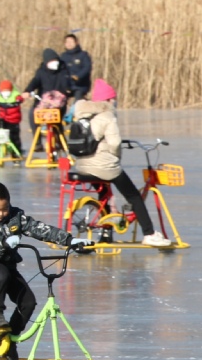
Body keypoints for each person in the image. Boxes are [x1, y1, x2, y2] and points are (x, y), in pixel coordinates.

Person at [0, 182, 87, 360]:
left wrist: (69, 240)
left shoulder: (15, 217)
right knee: (0, 272)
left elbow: (40, 229)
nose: (0, 214)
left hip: (7, 268)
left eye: (4, 209)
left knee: (28, 302)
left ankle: (9, 341)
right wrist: (4, 243)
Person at [71, 79, 172, 247]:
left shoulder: (83, 115)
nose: (115, 102)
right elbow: (115, 143)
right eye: (113, 98)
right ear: (107, 100)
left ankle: (106, 233)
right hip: (104, 166)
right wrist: (115, 157)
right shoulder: (107, 116)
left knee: (104, 193)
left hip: (83, 166)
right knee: (133, 196)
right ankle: (149, 234)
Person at [23, 49, 72, 129]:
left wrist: (68, 90)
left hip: (58, 104)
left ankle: (58, 135)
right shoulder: (41, 71)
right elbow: (35, 81)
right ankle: (37, 137)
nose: (55, 63)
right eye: (52, 61)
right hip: (42, 102)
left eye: (56, 60)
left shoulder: (63, 71)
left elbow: (66, 83)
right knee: (32, 115)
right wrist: (28, 90)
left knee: (56, 124)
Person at [0, 81, 26, 154]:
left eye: (7, 90)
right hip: (3, 119)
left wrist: (19, 100)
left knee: (14, 137)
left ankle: (16, 152)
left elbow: (21, 99)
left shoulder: (15, 96)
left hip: (14, 120)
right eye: (4, 90)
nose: (5, 92)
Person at [61, 34, 93, 102]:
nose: (69, 44)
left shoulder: (83, 55)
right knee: (60, 100)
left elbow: (87, 67)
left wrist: (78, 76)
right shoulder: (63, 56)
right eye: (67, 42)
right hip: (67, 85)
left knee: (77, 102)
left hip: (80, 85)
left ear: (76, 42)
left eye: (71, 42)